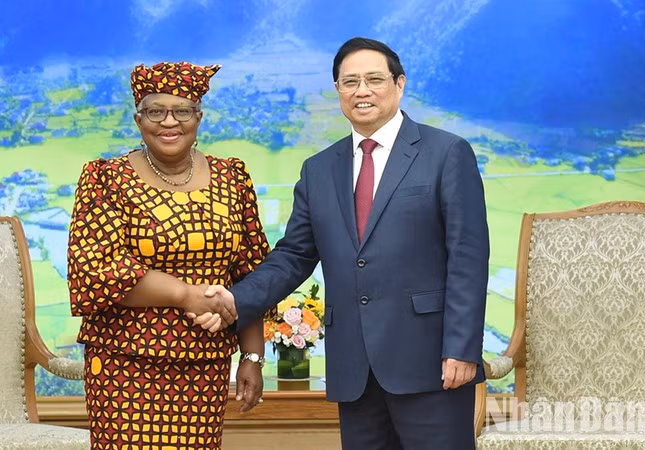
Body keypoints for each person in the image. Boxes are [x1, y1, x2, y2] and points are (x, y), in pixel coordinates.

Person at [200, 37, 490, 449]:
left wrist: (461, 349)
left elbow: (468, 257)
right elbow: (294, 255)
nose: (362, 90)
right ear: (337, 90)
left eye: (374, 79)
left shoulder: (446, 152)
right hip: (354, 370)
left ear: (399, 84)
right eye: (350, 82)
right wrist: (235, 299)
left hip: (432, 365)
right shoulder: (319, 169)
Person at [67, 61, 269, 449]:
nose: (169, 122)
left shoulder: (232, 177)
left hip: (205, 364)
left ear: (199, 117)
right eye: (156, 111)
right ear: (138, 119)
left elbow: (251, 273)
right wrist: (184, 294)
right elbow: (95, 271)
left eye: (182, 111)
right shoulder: (106, 179)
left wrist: (253, 356)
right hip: (125, 364)